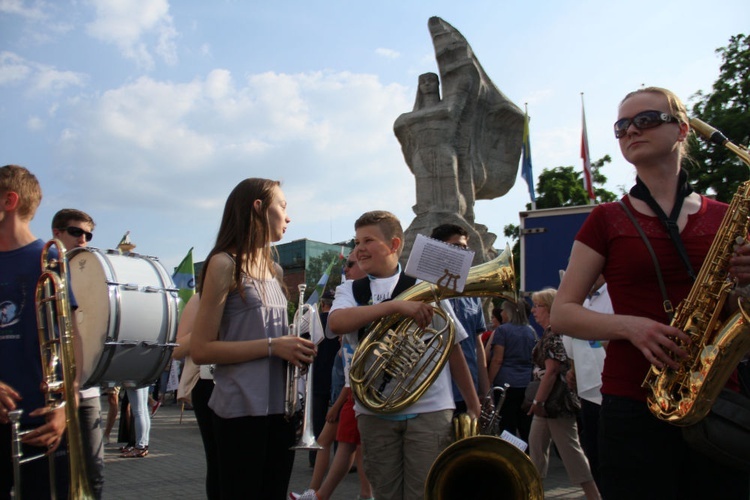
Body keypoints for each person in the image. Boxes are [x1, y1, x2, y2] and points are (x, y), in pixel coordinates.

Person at [551, 86, 750, 499]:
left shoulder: (726, 216)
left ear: (681, 130)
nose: (630, 131)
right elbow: (562, 313)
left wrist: (746, 285)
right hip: (633, 397)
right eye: (622, 126)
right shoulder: (605, 219)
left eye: (645, 120)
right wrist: (633, 327)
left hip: (716, 395)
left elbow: (734, 307)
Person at [327, 210, 481, 500]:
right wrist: (396, 307)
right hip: (374, 411)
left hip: (430, 409)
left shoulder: (423, 285)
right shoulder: (350, 289)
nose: (359, 248)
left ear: (394, 244)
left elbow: (453, 346)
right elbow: (335, 324)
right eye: (357, 241)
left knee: (424, 492)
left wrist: (474, 405)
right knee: (385, 493)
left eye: (368, 240)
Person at [190, 178, 316, 499]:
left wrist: (298, 346)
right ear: (258, 208)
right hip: (240, 410)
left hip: (281, 410)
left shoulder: (274, 270)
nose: (288, 217)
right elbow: (201, 349)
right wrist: (275, 346)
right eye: (282, 207)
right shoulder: (223, 263)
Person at [0, 165, 70, 498]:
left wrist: (64, 407)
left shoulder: (50, 259)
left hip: (41, 421)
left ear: (8, 200)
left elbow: (74, 342)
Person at [51, 208, 104, 497]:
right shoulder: (42, 271)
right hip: (50, 393)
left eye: (88, 234)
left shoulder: (94, 274)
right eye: (76, 232)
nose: (83, 239)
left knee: (94, 472)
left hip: (87, 391)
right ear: (56, 233)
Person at [527, 288, 600, 499]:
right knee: (536, 450)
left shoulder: (554, 333)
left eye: (537, 306)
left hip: (556, 403)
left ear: (549, 308)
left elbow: (552, 370)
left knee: (570, 452)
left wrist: (538, 401)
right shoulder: (552, 333)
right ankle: (532, 492)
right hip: (549, 404)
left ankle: (594, 495)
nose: (533, 311)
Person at [429, 223, 489, 414]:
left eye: (465, 248)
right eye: (456, 247)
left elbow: (477, 345)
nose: (463, 253)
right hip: (435, 394)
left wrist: (486, 392)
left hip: (468, 392)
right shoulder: (425, 291)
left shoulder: (471, 293)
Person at [562, 274, 610, 490]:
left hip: (610, 391)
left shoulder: (612, 294)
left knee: (612, 460)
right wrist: (573, 369)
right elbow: (570, 338)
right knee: (597, 456)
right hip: (589, 393)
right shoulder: (585, 300)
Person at [173, 293, 219, 499]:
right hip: (208, 383)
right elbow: (177, 349)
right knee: (218, 460)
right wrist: (210, 326)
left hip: (247, 380)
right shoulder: (201, 297)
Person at [487, 299, 537, 443]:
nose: (501, 313)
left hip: (505, 383)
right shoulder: (530, 330)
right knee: (525, 424)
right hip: (526, 382)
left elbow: (497, 359)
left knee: (507, 425)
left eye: (503, 310)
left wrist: (489, 381)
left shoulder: (503, 330)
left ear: (508, 312)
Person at [309, 290, 339, 467]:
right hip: (336, 377)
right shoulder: (339, 321)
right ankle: (338, 457)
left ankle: (315, 458)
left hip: (318, 375)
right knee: (335, 420)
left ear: (322, 303)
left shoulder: (313, 320)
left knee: (318, 420)